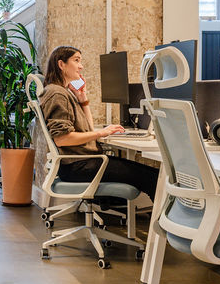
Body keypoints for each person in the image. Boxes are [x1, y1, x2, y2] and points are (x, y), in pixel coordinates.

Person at [39, 45, 158, 199]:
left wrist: (83, 100)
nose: (81, 66)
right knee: (152, 177)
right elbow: (62, 139)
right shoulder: (57, 94)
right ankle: (162, 222)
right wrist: (103, 132)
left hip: (82, 163)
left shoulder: (63, 92)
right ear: (61, 64)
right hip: (79, 166)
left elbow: (87, 129)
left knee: (146, 173)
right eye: (76, 61)